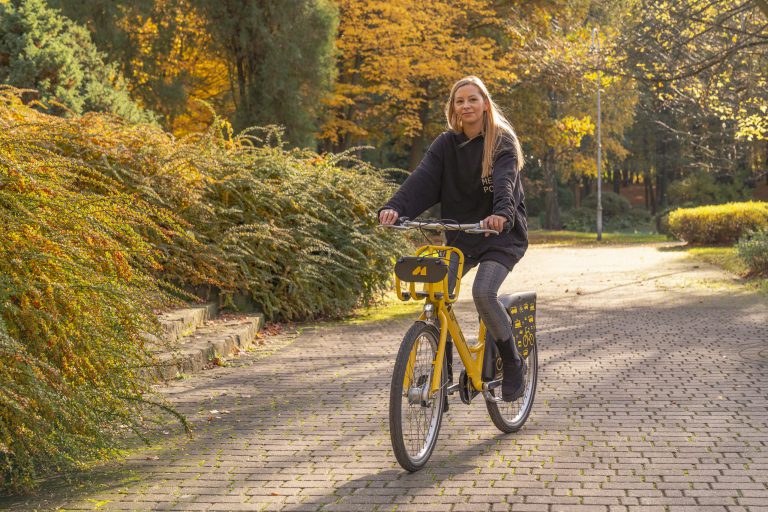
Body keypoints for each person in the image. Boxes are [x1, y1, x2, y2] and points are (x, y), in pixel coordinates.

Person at [379, 75, 528, 402]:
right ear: (453, 108)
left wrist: (501, 215)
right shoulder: (446, 145)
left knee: (483, 293)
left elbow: (504, 184)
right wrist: (394, 207)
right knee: (438, 293)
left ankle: (513, 361)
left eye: (472, 99)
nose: (466, 106)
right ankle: (441, 373)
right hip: (463, 236)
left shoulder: (501, 142)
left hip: (499, 235)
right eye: (460, 101)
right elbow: (422, 180)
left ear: (485, 103)